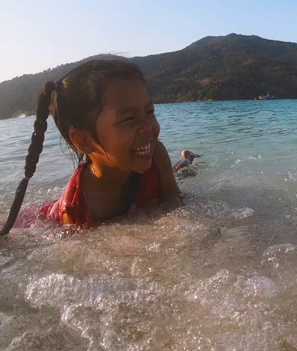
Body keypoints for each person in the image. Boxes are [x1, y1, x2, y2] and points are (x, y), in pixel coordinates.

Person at [1, 59, 180, 235]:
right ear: (83, 141)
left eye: (149, 112)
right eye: (129, 119)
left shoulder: (156, 154)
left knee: (182, 169)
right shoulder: (75, 211)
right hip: (43, 218)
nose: (147, 127)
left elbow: (176, 206)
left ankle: (186, 161)